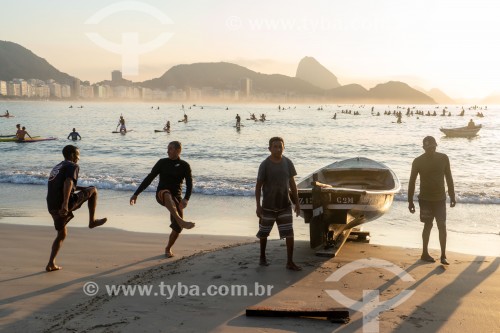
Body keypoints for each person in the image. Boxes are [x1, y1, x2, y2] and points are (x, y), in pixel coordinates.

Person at [46, 145, 107, 272]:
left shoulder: (58, 166)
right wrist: (65, 204)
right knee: (94, 190)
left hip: (51, 205)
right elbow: (68, 182)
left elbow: (62, 184)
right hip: (63, 203)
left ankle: (51, 263)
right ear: (73, 155)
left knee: (62, 234)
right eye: (78, 155)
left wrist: (80, 188)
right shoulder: (73, 166)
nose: (79, 158)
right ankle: (92, 221)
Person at [130, 141, 195, 257]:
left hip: (177, 197)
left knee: (177, 227)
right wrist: (136, 193)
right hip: (161, 194)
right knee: (166, 193)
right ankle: (180, 221)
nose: (167, 151)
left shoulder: (185, 165)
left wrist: (186, 199)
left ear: (178, 151)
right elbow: (149, 178)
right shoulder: (162, 162)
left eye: (170, 149)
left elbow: (189, 183)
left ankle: (168, 248)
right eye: (168, 148)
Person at [255, 137, 301, 271]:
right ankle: (262, 257)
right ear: (269, 149)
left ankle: (290, 262)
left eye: (280, 146)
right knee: (263, 233)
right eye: (275, 147)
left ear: (284, 148)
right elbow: (258, 187)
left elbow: (292, 184)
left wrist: (297, 203)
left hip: (284, 205)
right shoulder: (264, 165)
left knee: (289, 234)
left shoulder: (288, 163)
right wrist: (258, 206)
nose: (278, 149)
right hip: (268, 206)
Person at [408, 136, 456, 265]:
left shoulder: (443, 158)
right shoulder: (418, 161)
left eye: (433, 147)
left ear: (436, 146)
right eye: (428, 148)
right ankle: (424, 253)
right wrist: (410, 201)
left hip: (440, 199)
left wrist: (452, 195)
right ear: (424, 148)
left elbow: (449, 177)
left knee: (442, 225)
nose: (431, 150)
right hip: (425, 199)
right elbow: (412, 182)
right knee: (428, 225)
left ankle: (443, 255)